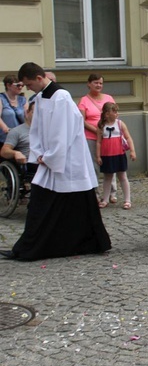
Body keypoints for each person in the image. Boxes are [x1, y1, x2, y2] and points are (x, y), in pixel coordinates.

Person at [0, 62, 110, 261]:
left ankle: (88, 242)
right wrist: (39, 153)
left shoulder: (61, 97)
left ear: (40, 78)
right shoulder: (41, 98)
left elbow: (64, 132)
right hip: (49, 160)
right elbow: (37, 130)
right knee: (40, 205)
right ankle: (27, 247)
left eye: (28, 84)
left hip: (67, 162)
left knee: (73, 206)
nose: (27, 88)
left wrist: (49, 157)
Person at [78, 74, 118, 203]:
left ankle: (112, 192)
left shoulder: (108, 98)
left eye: (100, 83)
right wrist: (97, 131)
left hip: (109, 137)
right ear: (89, 84)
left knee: (110, 164)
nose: (98, 85)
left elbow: (114, 115)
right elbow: (81, 121)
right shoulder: (84, 100)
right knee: (93, 165)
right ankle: (94, 192)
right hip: (91, 136)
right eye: (95, 83)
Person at [96, 102, 136, 210]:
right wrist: (98, 156)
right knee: (107, 177)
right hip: (107, 155)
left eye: (116, 111)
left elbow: (128, 138)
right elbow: (99, 142)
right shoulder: (101, 126)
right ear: (106, 114)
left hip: (119, 154)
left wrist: (132, 151)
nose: (116, 113)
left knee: (122, 176)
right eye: (114, 111)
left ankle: (127, 200)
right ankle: (105, 199)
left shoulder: (120, 124)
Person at [1, 93, 37, 177]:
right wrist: (15, 153)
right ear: (27, 112)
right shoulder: (16, 131)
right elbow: (4, 151)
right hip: (31, 164)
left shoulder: (47, 130)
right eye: (35, 112)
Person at [1, 75, 27, 146]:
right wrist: (6, 129)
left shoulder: (22, 99)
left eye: (22, 85)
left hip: (20, 138)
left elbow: (28, 116)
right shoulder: (1, 98)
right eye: (18, 85)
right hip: (5, 138)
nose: (20, 87)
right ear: (8, 85)